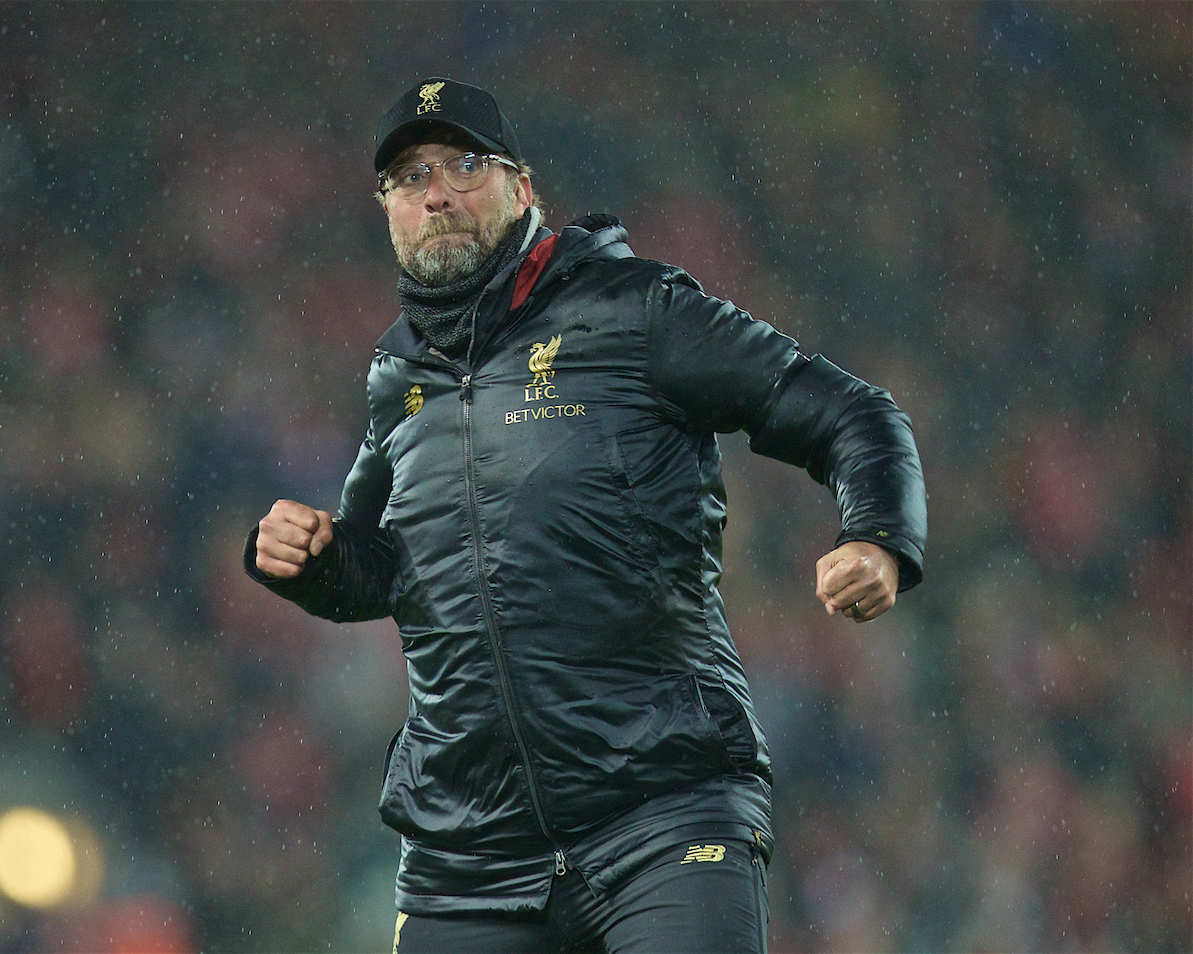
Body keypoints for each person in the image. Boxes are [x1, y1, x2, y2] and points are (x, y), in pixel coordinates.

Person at [244, 76, 926, 954]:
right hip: (467, 855)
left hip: (663, 820)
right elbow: (384, 567)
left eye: (464, 164)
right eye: (409, 179)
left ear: (523, 189)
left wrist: (875, 535)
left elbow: (852, 413)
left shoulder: (634, 311)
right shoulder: (396, 375)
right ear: (387, 212)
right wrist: (312, 560)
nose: (437, 192)